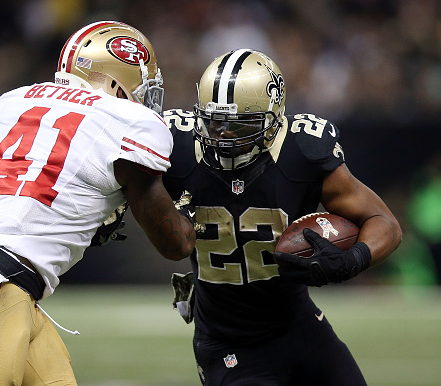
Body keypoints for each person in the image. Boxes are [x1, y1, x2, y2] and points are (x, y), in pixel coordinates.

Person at [0, 21, 196, 386]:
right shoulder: (128, 122)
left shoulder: (15, 101)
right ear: (118, 78)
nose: (144, 99)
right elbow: (175, 244)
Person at [163, 49, 402, 385]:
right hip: (227, 341)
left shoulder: (302, 151)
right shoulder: (175, 145)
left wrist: (354, 259)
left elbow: (385, 222)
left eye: (240, 124)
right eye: (215, 121)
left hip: (300, 327)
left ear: (274, 117)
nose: (223, 136)